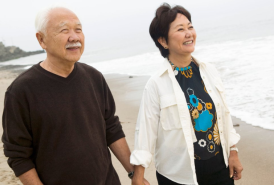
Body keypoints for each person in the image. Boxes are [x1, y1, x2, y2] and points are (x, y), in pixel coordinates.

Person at [1, 5, 149, 185]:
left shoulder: (94, 77)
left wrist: (134, 174)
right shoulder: (21, 91)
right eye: (64, 30)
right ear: (41, 40)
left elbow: (111, 127)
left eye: (78, 29)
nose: (75, 37)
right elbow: (18, 154)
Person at [130, 3, 243, 185]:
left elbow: (224, 115)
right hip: (177, 175)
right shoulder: (156, 84)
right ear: (163, 41)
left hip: (219, 168)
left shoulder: (209, 72)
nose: (189, 33)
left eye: (190, 26)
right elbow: (145, 133)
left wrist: (233, 151)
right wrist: (137, 176)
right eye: (180, 29)